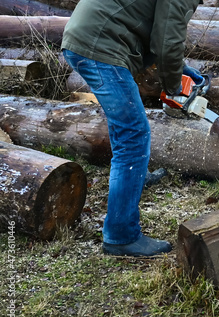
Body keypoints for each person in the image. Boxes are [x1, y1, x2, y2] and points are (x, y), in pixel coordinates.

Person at [61, 0, 204, 257]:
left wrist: (180, 70)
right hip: (100, 45)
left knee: (127, 128)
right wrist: (174, 88)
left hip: (91, 37)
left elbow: (150, 27)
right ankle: (120, 235)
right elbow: (166, 42)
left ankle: (132, 177)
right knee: (134, 133)